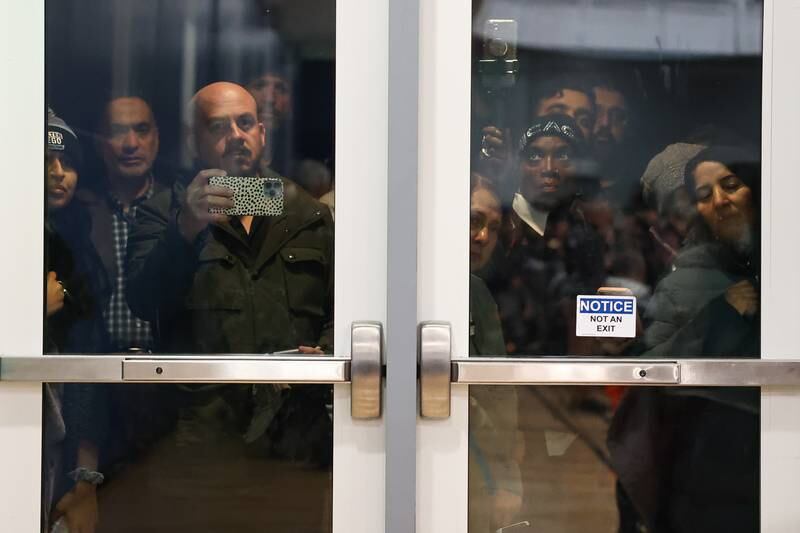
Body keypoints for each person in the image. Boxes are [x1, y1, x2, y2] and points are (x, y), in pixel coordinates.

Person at [609, 145, 760, 533]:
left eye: (730, 185)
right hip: (707, 470)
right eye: (705, 195)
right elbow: (647, 366)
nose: (721, 201)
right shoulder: (688, 279)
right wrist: (720, 314)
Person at [126, 81, 333, 354]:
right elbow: (144, 302)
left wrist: (325, 351)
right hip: (205, 393)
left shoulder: (304, 212)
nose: (236, 135)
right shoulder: (165, 212)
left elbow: (340, 308)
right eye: (218, 127)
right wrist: (185, 228)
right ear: (193, 142)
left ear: (261, 135)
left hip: (291, 390)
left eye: (245, 123)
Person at [489, 114, 605, 355]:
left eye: (563, 155)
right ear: (518, 165)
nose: (549, 169)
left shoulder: (589, 234)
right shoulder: (495, 229)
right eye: (534, 156)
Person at [44, 109, 109, 533]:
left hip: (60, 429)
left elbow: (88, 357)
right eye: (46, 161)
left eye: (68, 164)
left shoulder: (77, 239)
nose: (58, 174)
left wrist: (85, 478)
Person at [80, 94, 164, 353]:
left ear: (156, 139)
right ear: (98, 144)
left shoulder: (179, 209)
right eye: (117, 132)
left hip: (168, 371)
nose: (131, 144)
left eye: (142, 130)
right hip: (94, 373)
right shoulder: (79, 211)